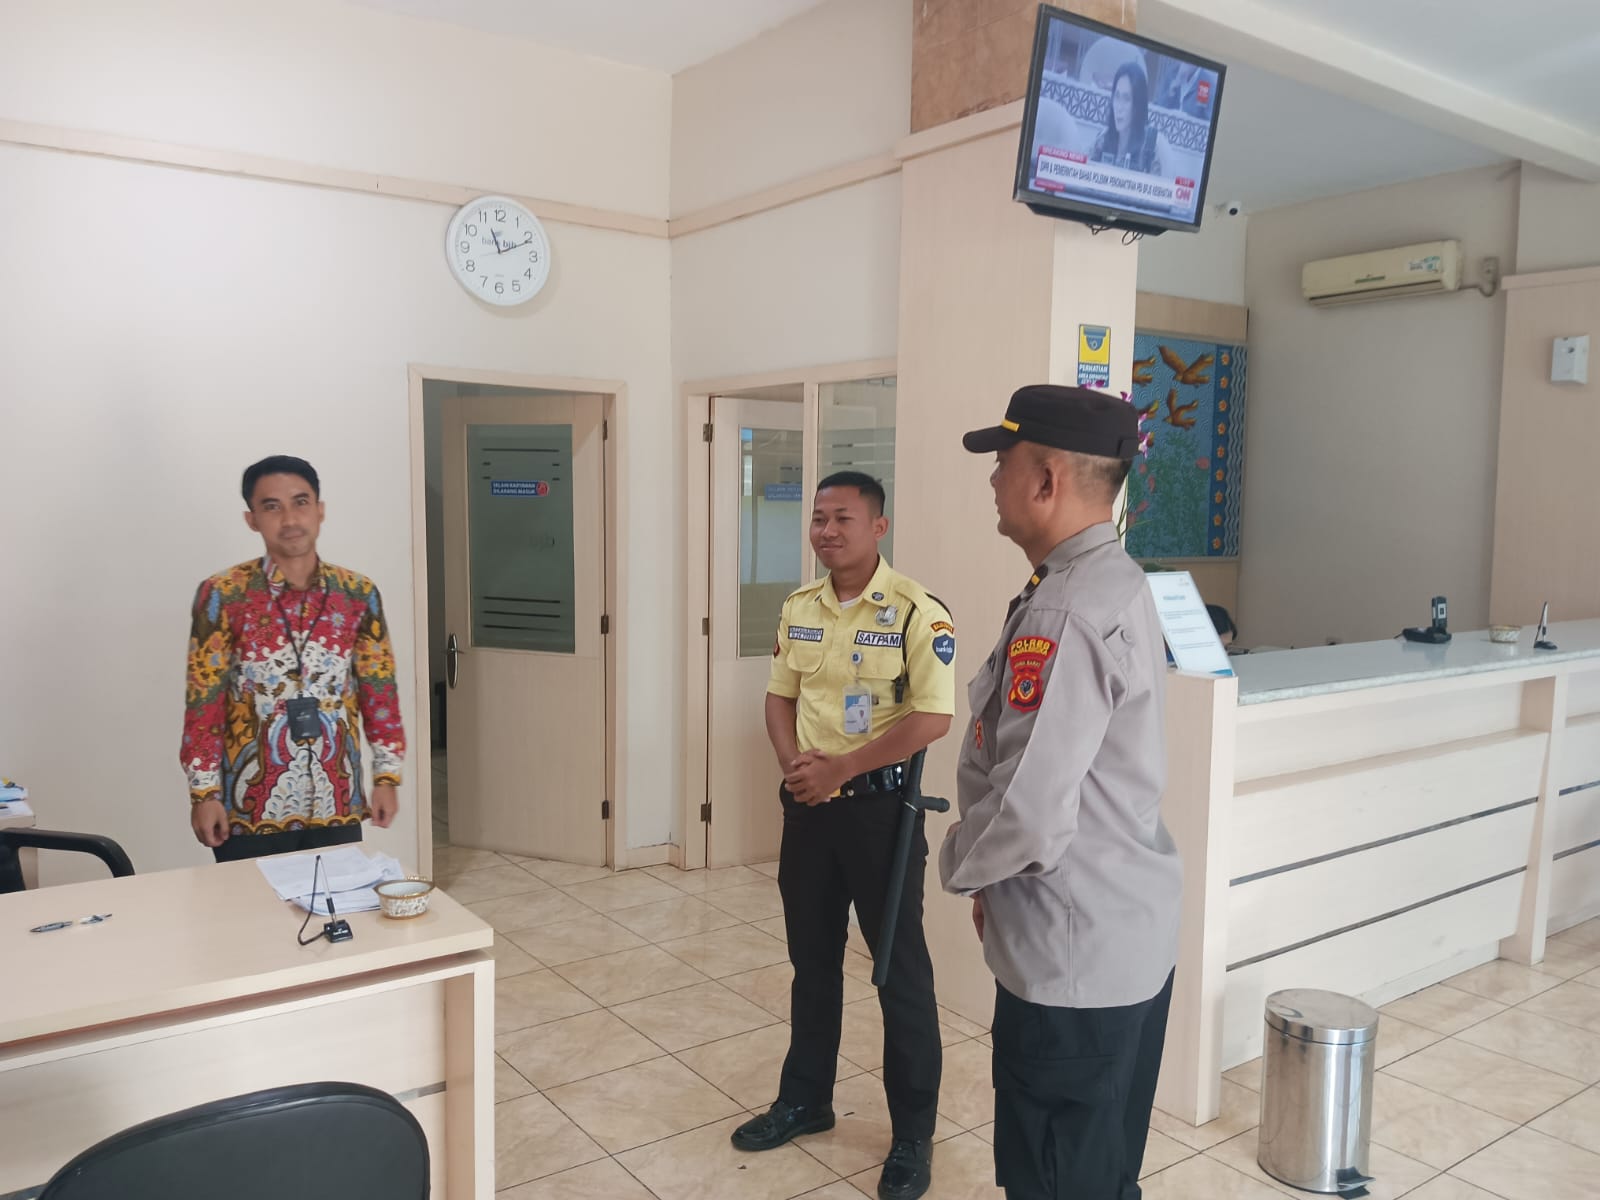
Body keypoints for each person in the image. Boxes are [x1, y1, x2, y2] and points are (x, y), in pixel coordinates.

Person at [940, 386, 1181, 1199]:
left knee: (1055, 1179)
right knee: (1100, 1171)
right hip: (1119, 940)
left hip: (1070, 960)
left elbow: (1029, 813)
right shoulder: (1115, 581)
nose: (993, 481)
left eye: (1002, 463)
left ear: (1045, 480)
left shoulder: (1067, 610)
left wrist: (962, 865)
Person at [731, 471, 956, 1200]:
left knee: (899, 972)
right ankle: (806, 1100)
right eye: (819, 518)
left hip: (880, 814)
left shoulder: (917, 611)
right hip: (810, 809)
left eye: (843, 518)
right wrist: (796, 768)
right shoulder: (799, 608)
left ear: (878, 527)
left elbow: (933, 718)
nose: (826, 530)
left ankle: (912, 1134)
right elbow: (779, 698)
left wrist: (844, 768)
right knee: (812, 961)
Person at [182, 456, 406, 861]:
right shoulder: (223, 594)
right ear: (252, 519)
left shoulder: (357, 594)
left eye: (300, 502)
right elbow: (204, 701)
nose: (289, 519)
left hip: (337, 799)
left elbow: (380, 691)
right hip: (248, 807)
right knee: (249, 903)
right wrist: (204, 793)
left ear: (320, 509)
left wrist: (387, 777)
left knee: (338, 900)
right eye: (272, 507)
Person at [1093, 60, 1161, 175]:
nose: (1119, 107)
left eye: (1126, 99)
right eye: (1117, 96)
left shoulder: (1149, 151)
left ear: (1138, 106)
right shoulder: (1101, 140)